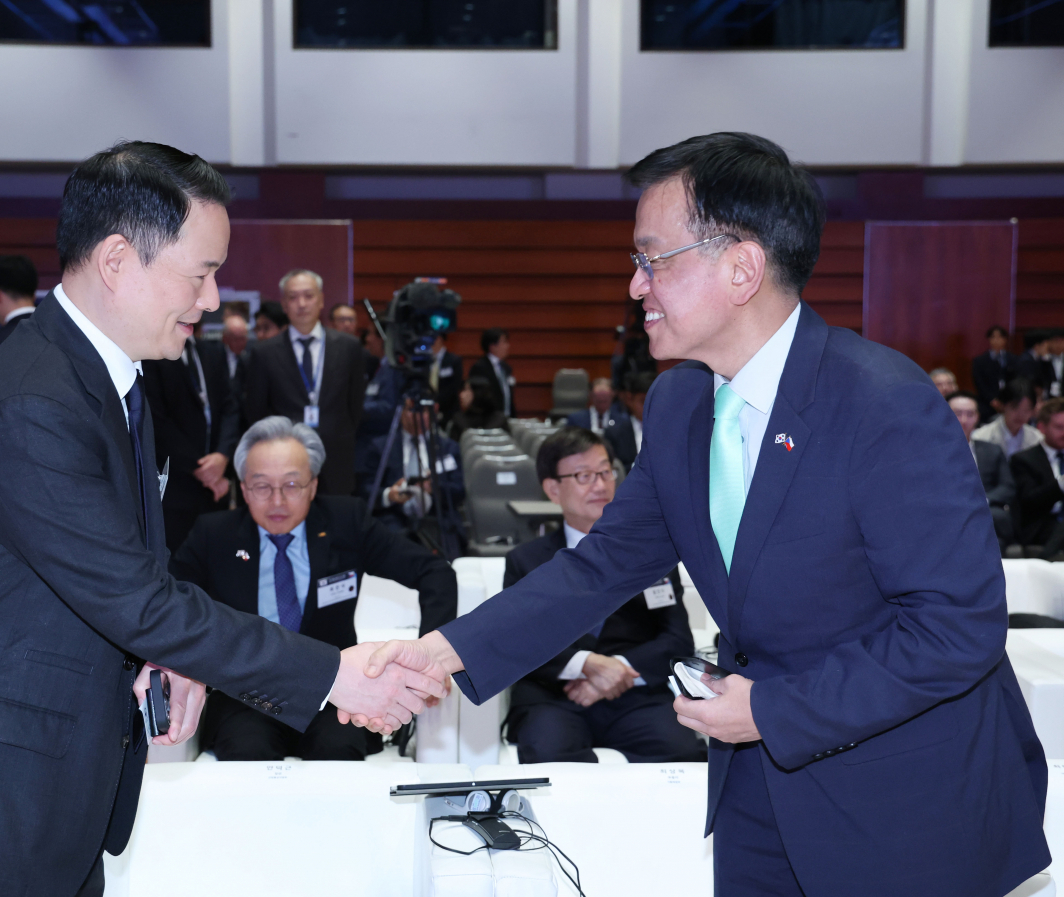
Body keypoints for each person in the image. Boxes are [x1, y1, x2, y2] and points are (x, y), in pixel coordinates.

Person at [357, 132, 1048, 897]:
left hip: (903, 804)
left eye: (653, 259)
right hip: (756, 792)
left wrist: (776, 710)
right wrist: (445, 653)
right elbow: (600, 566)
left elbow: (957, 626)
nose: (635, 286)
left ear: (741, 266)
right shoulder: (682, 402)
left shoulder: (883, 403)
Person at [0, 141, 446, 897]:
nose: (209, 299)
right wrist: (330, 672)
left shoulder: (104, 377)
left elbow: (100, 575)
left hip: (48, 788)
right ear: (116, 259)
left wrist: (162, 655)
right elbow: (135, 597)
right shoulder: (37, 399)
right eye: (200, 273)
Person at [171, 416, 457, 760]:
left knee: (336, 750)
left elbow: (435, 572)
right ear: (244, 488)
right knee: (248, 748)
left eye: (292, 485)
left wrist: (427, 658)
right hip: (245, 692)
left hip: (337, 690)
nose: (277, 501)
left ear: (313, 486)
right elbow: (170, 602)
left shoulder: (346, 522)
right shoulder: (213, 535)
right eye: (262, 486)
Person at [503, 427, 704, 764]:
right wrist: (587, 665)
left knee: (683, 753)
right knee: (547, 755)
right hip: (554, 695)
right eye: (583, 475)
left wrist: (619, 670)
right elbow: (515, 640)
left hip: (635, 695)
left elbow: (677, 639)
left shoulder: (651, 554)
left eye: (604, 471)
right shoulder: (527, 561)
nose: (599, 485)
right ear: (553, 489)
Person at [245, 269, 367, 495]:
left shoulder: (349, 347)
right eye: (293, 297)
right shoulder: (264, 353)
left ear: (321, 300)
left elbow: (355, 406)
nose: (301, 303)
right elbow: (256, 411)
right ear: (284, 304)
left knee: (336, 524)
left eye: (308, 296)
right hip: (284, 461)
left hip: (337, 458)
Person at [142, 330, 240, 553]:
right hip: (175, 487)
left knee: (218, 560)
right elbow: (156, 421)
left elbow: (230, 407)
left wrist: (223, 456)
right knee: (177, 565)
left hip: (218, 484)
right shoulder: (150, 354)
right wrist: (202, 469)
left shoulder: (212, 351)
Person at [359, 398, 465, 554]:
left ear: (432, 412)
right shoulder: (381, 448)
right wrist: (389, 495)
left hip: (438, 517)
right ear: (400, 412)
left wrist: (433, 487)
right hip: (395, 517)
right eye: (411, 410)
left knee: (448, 539)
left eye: (421, 411)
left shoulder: (448, 448)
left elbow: (460, 491)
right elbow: (364, 489)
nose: (416, 417)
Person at [949, 391, 1017, 551]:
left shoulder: (991, 450)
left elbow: (1007, 487)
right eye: (957, 414)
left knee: (999, 522)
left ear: (978, 417)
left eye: (970, 414)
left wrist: (982, 501)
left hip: (983, 512)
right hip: (948, 513)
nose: (964, 420)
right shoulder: (929, 453)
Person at [1011, 398, 1064, 559]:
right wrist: (1061, 484)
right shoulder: (1024, 460)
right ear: (1041, 427)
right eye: (1059, 427)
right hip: (1042, 525)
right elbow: (1028, 502)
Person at [974, 378, 1044, 458]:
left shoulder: (1038, 439)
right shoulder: (981, 437)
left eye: (1026, 410)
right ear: (1003, 405)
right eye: (1014, 408)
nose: (1020, 415)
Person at [605, 371, 654, 470]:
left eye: (655, 401)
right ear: (629, 399)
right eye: (643, 401)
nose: (650, 407)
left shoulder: (671, 430)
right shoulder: (615, 432)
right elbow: (614, 469)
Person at [972, 325, 1016, 422]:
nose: (997, 340)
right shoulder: (980, 361)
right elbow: (979, 383)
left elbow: (1015, 381)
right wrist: (992, 400)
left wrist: (1006, 401)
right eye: (993, 337)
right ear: (989, 340)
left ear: (1005, 339)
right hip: (987, 403)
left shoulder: (1013, 359)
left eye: (1000, 337)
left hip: (1008, 402)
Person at [469, 327, 515, 417]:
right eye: (504, 342)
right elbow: (480, 399)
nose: (507, 346)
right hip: (489, 419)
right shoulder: (479, 367)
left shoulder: (506, 368)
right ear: (492, 346)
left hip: (506, 418)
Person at [446, 376, 508, 440]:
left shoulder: (499, 420)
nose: (461, 395)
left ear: (478, 392)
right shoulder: (459, 420)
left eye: (466, 389)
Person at [430, 333, 464, 423]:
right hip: (428, 411)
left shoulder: (454, 360)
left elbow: (454, 387)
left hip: (449, 413)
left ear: (439, 339)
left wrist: (437, 403)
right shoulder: (424, 361)